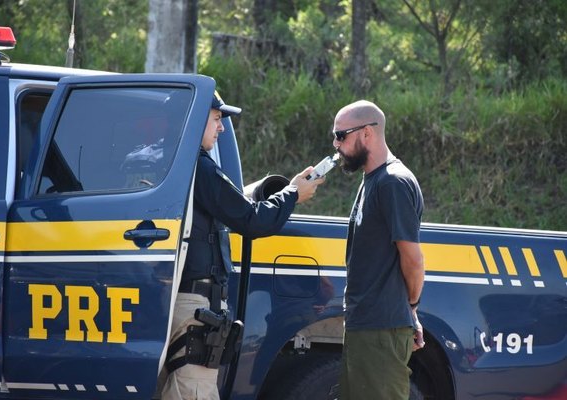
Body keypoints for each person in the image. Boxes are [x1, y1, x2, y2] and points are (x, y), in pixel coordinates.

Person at [161, 92, 324, 400]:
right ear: (194, 121)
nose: (220, 128)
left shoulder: (165, 165)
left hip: (175, 300)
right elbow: (252, 220)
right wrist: (292, 193)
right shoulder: (200, 168)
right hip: (194, 305)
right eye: (216, 119)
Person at [332, 100, 425, 400]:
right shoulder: (372, 180)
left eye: (341, 135)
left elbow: (412, 258)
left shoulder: (393, 183)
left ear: (367, 133)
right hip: (368, 326)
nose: (336, 144)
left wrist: (410, 307)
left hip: (381, 331)